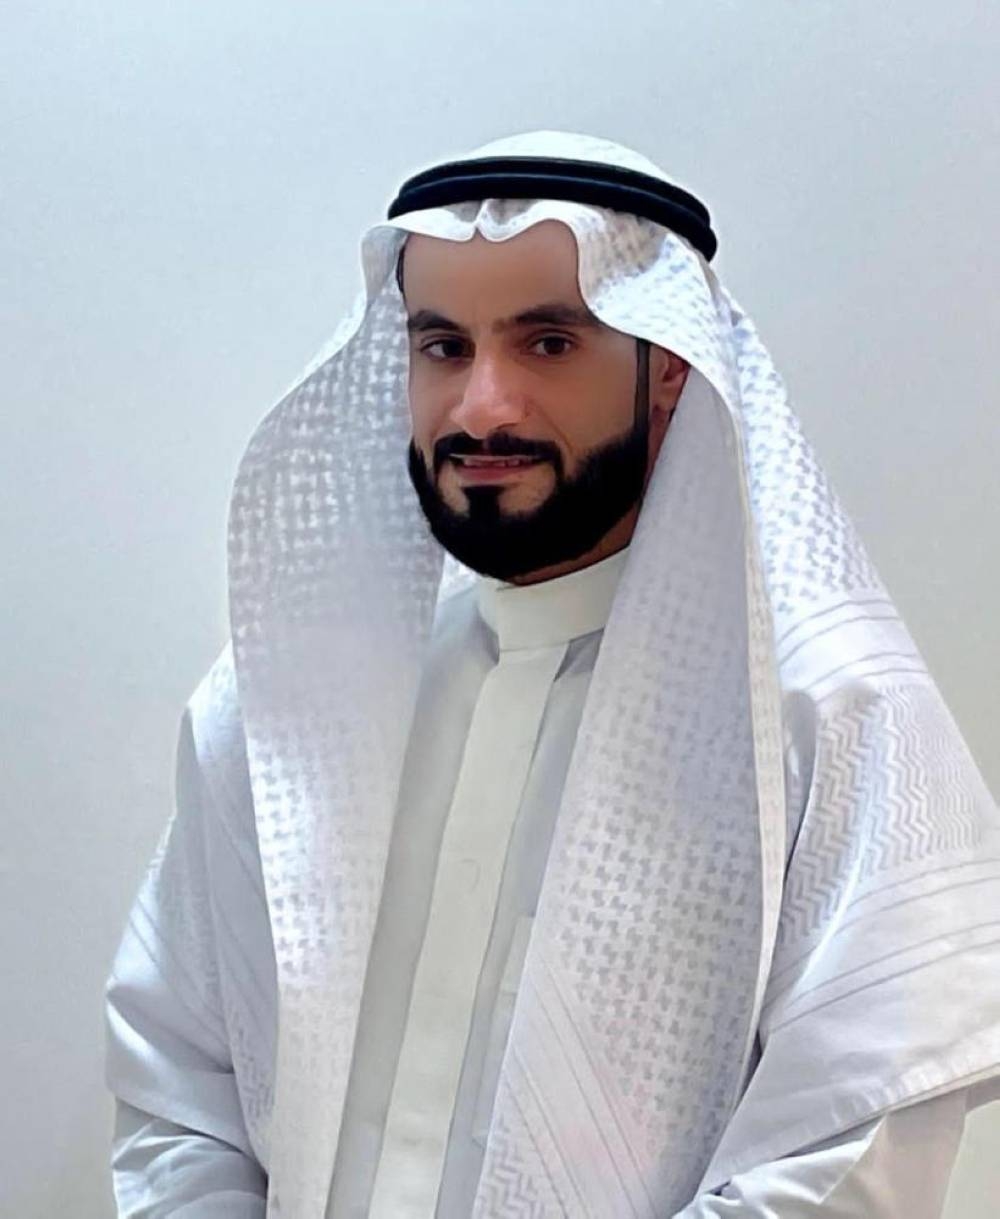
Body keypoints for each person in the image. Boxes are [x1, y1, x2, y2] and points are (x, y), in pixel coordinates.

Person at [104, 130, 1000, 1218]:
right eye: (444, 346)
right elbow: (181, 1085)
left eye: (548, 342)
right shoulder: (284, 705)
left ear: (668, 370)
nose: (482, 406)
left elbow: (845, 1163)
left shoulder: (832, 722)